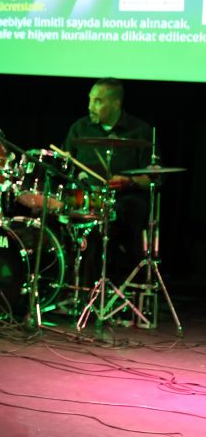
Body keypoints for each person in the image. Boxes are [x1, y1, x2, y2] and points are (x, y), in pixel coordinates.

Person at [64, 78, 152, 288]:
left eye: (98, 101)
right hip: (85, 197)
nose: (90, 106)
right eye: (90, 100)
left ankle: (113, 284)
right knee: (58, 212)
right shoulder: (79, 128)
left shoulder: (140, 131)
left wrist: (129, 181)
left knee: (126, 212)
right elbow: (66, 166)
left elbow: (153, 177)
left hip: (124, 198)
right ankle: (69, 282)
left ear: (116, 103)